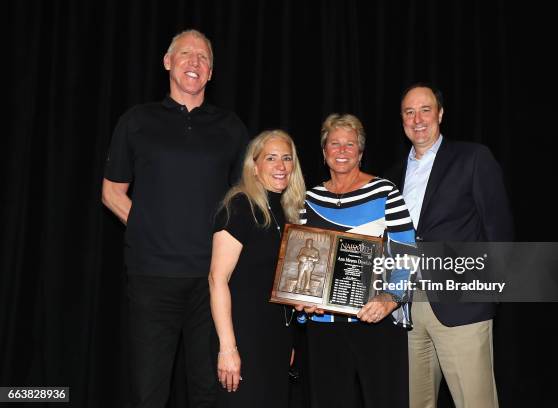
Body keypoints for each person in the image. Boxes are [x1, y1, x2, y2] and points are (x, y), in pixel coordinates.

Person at [102, 29, 249, 408]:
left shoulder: (230, 127)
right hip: (152, 278)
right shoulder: (137, 121)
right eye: (186, 54)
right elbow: (111, 192)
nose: (194, 63)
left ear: (212, 72)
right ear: (168, 62)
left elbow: (245, 201)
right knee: (149, 391)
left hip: (212, 282)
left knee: (207, 390)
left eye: (203, 58)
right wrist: (149, 226)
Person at [386, 83, 514, 408]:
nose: (417, 119)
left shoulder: (473, 157)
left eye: (425, 109)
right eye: (409, 112)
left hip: (462, 304)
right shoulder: (390, 178)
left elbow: (498, 228)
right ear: (401, 119)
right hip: (405, 309)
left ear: (440, 114)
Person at [298, 113, 415, 408]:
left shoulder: (384, 192)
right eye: (334, 144)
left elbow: (407, 253)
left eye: (349, 145)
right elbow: (298, 264)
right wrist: (301, 304)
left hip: (375, 321)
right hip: (323, 326)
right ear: (324, 153)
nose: (341, 151)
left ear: (360, 153)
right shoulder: (309, 200)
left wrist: (391, 300)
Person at [209, 130, 306, 408]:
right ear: (255, 165)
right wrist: (228, 348)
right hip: (242, 338)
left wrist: (287, 341)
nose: (281, 166)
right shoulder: (239, 206)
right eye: (271, 158)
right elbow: (217, 279)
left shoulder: (289, 213)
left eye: (287, 158)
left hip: (275, 339)